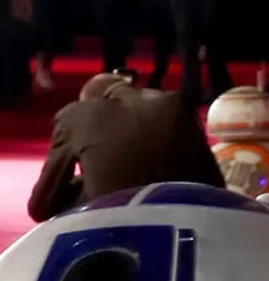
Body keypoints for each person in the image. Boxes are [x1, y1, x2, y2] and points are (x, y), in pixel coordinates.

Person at [26, 69, 221, 221]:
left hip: (112, 224)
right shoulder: (176, 103)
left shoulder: (75, 115)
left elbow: (41, 207)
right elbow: (215, 184)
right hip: (182, 216)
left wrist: (83, 183)